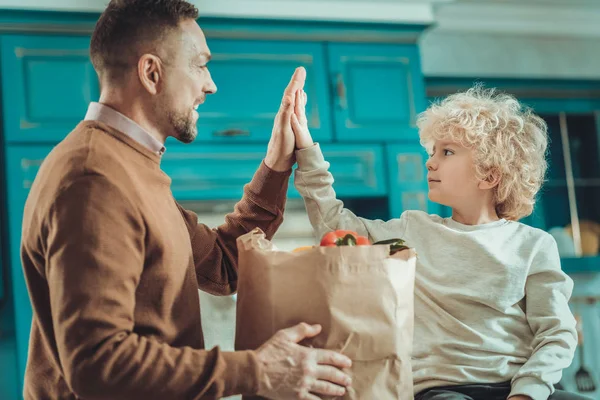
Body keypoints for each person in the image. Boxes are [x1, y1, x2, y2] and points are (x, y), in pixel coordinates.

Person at [20, 1, 352, 399]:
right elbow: (98, 363)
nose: (209, 84)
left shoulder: (130, 165)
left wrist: (276, 164)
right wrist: (257, 370)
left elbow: (224, 263)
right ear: (151, 72)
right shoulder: (95, 179)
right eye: (199, 65)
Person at [290, 86, 590, 400]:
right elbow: (336, 226)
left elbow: (557, 332)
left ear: (489, 175)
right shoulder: (412, 229)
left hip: (517, 387)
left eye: (446, 152)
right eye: (432, 152)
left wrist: (527, 392)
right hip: (439, 391)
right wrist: (307, 151)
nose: (430, 163)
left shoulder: (534, 245)